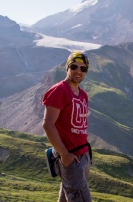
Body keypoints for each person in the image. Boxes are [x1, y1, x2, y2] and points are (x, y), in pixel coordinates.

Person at [42, 51, 92, 202]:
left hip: (83, 157)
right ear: (67, 67)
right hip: (70, 158)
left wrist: (86, 157)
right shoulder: (59, 90)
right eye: (74, 66)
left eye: (83, 69)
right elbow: (48, 124)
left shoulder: (82, 94)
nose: (78, 71)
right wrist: (64, 154)